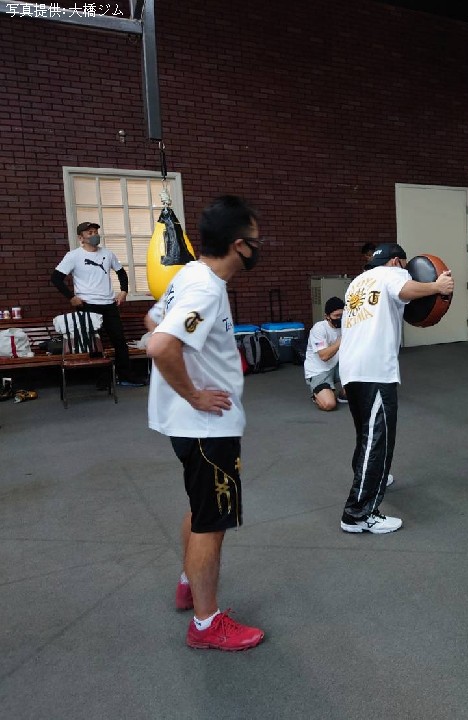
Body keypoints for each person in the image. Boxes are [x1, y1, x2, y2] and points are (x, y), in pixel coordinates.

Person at [145, 195, 265, 651]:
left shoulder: (190, 275)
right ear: (239, 245)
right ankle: (206, 623)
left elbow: (152, 320)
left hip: (188, 426)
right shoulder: (206, 289)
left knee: (200, 509)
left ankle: (188, 584)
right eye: (255, 240)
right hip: (206, 427)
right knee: (211, 523)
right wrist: (194, 394)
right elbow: (160, 345)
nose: (257, 247)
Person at [338, 242, 454, 533]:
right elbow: (405, 290)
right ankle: (358, 514)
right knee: (379, 438)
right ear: (396, 261)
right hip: (375, 369)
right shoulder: (392, 273)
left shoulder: (357, 282)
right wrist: (437, 286)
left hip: (350, 369)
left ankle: (373, 476)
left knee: (367, 434)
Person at [51, 222, 146, 386]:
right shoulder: (73, 256)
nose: (94, 235)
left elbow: (121, 273)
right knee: (94, 344)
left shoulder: (108, 254)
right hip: (87, 305)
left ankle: (126, 376)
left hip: (109, 304)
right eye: (90, 233)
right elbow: (56, 278)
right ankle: (102, 381)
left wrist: (123, 291)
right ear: (81, 238)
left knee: (119, 341)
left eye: (95, 232)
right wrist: (71, 297)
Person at [304, 296, 348, 411]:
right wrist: (341, 340)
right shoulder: (318, 329)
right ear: (327, 316)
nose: (340, 319)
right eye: (336, 316)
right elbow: (324, 356)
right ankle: (318, 394)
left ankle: (343, 394)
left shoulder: (346, 326)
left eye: (342, 315)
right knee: (329, 404)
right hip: (318, 371)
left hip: (337, 366)